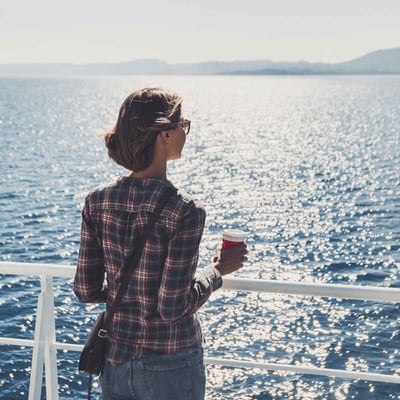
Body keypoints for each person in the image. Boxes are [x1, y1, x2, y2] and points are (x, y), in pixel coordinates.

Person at [74, 87, 248, 400]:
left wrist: (126, 295)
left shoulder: (96, 202)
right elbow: (171, 307)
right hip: (170, 363)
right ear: (163, 134)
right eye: (183, 125)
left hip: (115, 359)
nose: (186, 132)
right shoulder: (184, 210)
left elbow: (85, 291)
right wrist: (218, 270)